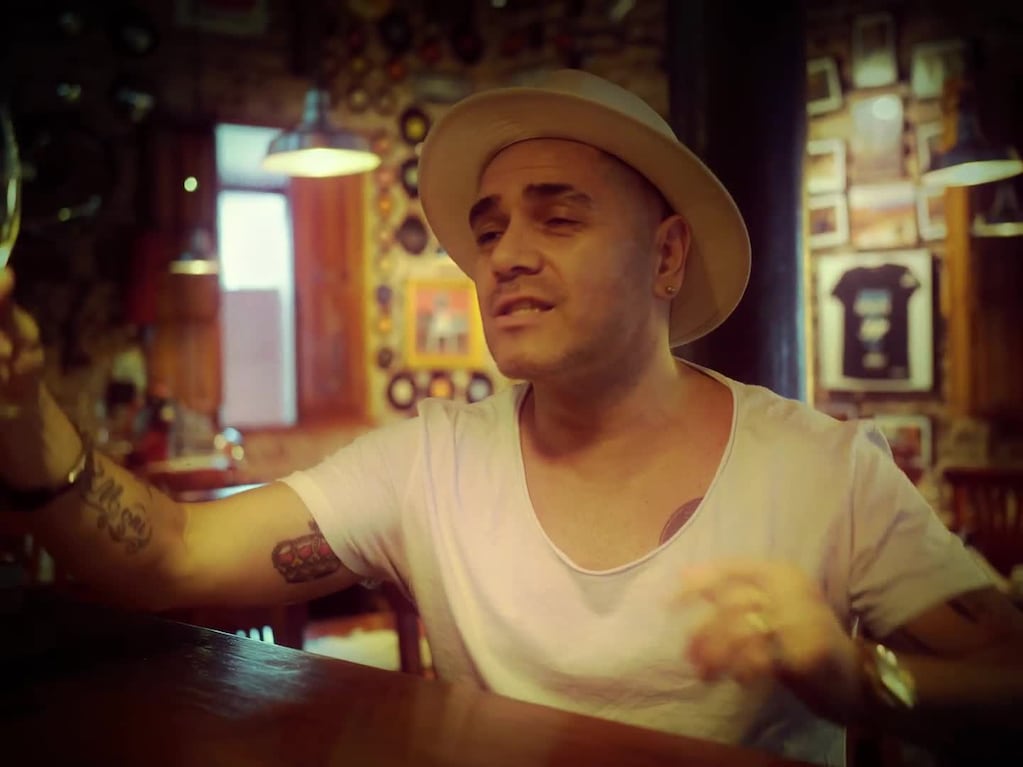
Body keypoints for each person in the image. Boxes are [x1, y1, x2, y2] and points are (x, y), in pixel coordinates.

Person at [0, 70, 1020, 766]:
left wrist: (865, 676)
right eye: (489, 232)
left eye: (558, 216)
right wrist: (19, 413)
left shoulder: (822, 469)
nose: (506, 256)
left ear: (666, 255)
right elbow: (173, 557)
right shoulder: (431, 462)